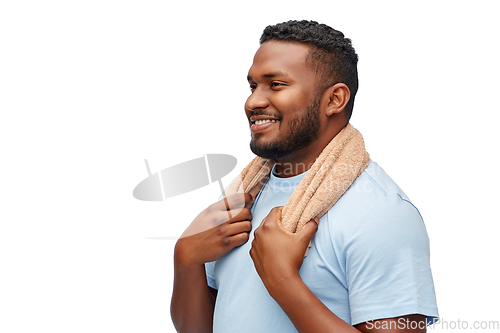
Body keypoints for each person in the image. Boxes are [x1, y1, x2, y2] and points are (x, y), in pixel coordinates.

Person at [171, 20, 438, 333]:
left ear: (334, 100)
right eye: (253, 86)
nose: (253, 101)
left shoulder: (382, 214)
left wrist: (283, 281)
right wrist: (186, 260)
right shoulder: (243, 195)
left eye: (276, 84)